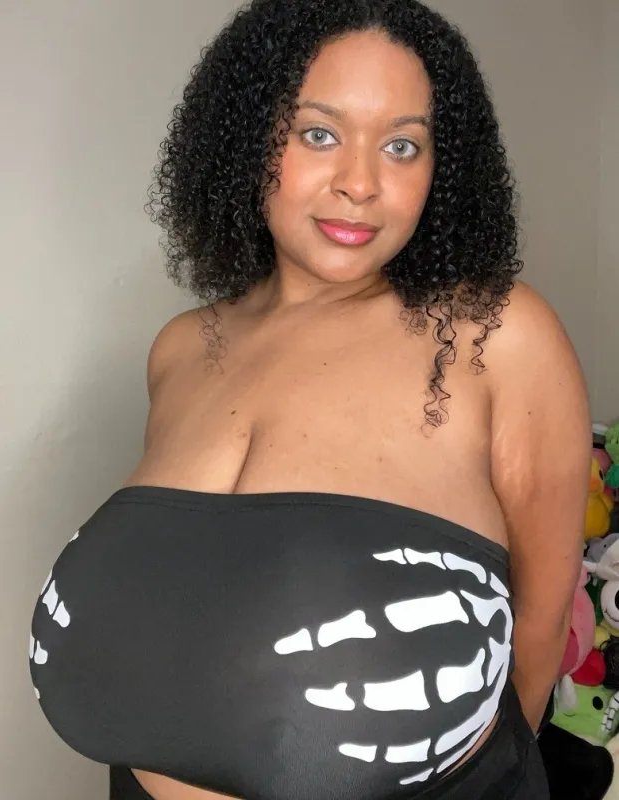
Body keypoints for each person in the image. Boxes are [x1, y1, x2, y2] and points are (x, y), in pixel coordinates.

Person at [29, 1, 591, 799]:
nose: (360, 183)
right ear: (246, 139)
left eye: (402, 145)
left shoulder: (495, 335)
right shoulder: (181, 350)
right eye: (319, 134)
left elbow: (538, 625)